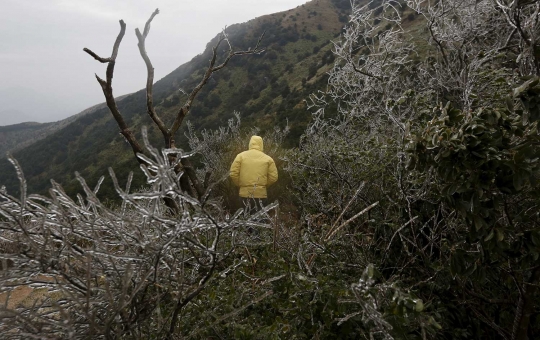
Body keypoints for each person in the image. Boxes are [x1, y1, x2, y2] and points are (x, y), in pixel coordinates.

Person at [229, 136, 278, 211]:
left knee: (245, 220)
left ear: (250, 143)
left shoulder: (240, 156)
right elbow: (273, 177)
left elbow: (233, 173)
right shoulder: (268, 159)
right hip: (261, 195)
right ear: (261, 144)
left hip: (244, 194)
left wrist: (240, 184)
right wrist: (263, 186)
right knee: (260, 220)